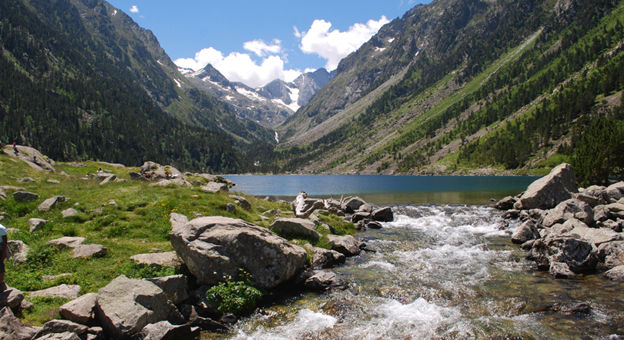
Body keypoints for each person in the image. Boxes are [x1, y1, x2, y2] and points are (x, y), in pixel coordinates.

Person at [0, 223, 7, 292]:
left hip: (0, 248)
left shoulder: (1, 228)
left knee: (0, 265)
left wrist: (4, 253)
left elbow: (5, 241)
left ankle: (1, 283)